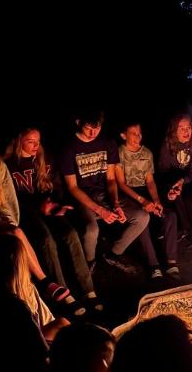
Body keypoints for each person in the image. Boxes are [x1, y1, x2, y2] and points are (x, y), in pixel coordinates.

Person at [5, 128, 102, 313]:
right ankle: (63, 293)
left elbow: (57, 187)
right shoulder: (10, 165)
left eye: (38, 141)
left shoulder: (45, 158)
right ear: (19, 141)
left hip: (49, 209)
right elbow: (12, 200)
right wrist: (38, 207)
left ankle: (88, 290)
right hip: (27, 214)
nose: (35, 145)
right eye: (30, 141)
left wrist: (57, 204)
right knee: (46, 240)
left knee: (70, 233)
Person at [0, 131, 72, 304]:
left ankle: (43, 287)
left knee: (19, 234)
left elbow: (9, 198)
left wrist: (10, 218)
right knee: (17, 233)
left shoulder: (1, 167)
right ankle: (44, 282)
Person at [59, 110, 148, 273]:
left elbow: (111, 179)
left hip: (104, 194)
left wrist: (115, 204)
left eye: (97, 128)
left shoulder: (107, 143)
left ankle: (113, 254)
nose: (93, 133)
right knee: (92, 229)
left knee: (142, 217)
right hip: (82, 198)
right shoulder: (69, 147)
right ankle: (89, 263)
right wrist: (100, 210)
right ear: (78, 123)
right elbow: (72, 187)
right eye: (88, 128)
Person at [116, 121, 178, 279]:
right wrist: (142, 202)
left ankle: (172, 263)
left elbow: (149, 181)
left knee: (170, 216)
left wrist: (156, 200)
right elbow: (121, 184)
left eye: (140, 133)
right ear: (123, 135)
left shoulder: (147, 154)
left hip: (144, 192)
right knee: (143, 218)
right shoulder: (118, 153)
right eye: (133, 133)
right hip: (128, 194)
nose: (138, 137)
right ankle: (154, 265)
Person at [157, 113, 192, 242]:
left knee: (185, 196)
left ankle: (189, 233)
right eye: (181, 128)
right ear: (174, 130)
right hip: (171, 178)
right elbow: (163, 170)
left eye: (188, 127)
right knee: (172, 193)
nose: (186, 131)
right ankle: (169, 228)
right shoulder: (168, 143)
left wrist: (183, 181)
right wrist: (171, 187)